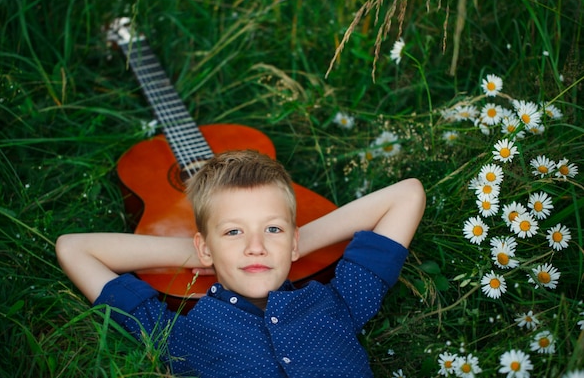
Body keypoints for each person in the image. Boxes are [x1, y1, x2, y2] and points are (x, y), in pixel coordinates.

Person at [56, 149, 425, 377]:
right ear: (206, 248)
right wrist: (202, 253)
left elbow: (407, 194)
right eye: (234, 233)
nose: (255, 247)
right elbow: (74, 248)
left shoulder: (339, 302)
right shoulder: (177, 335)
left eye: (272, 230)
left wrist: (292, 242)